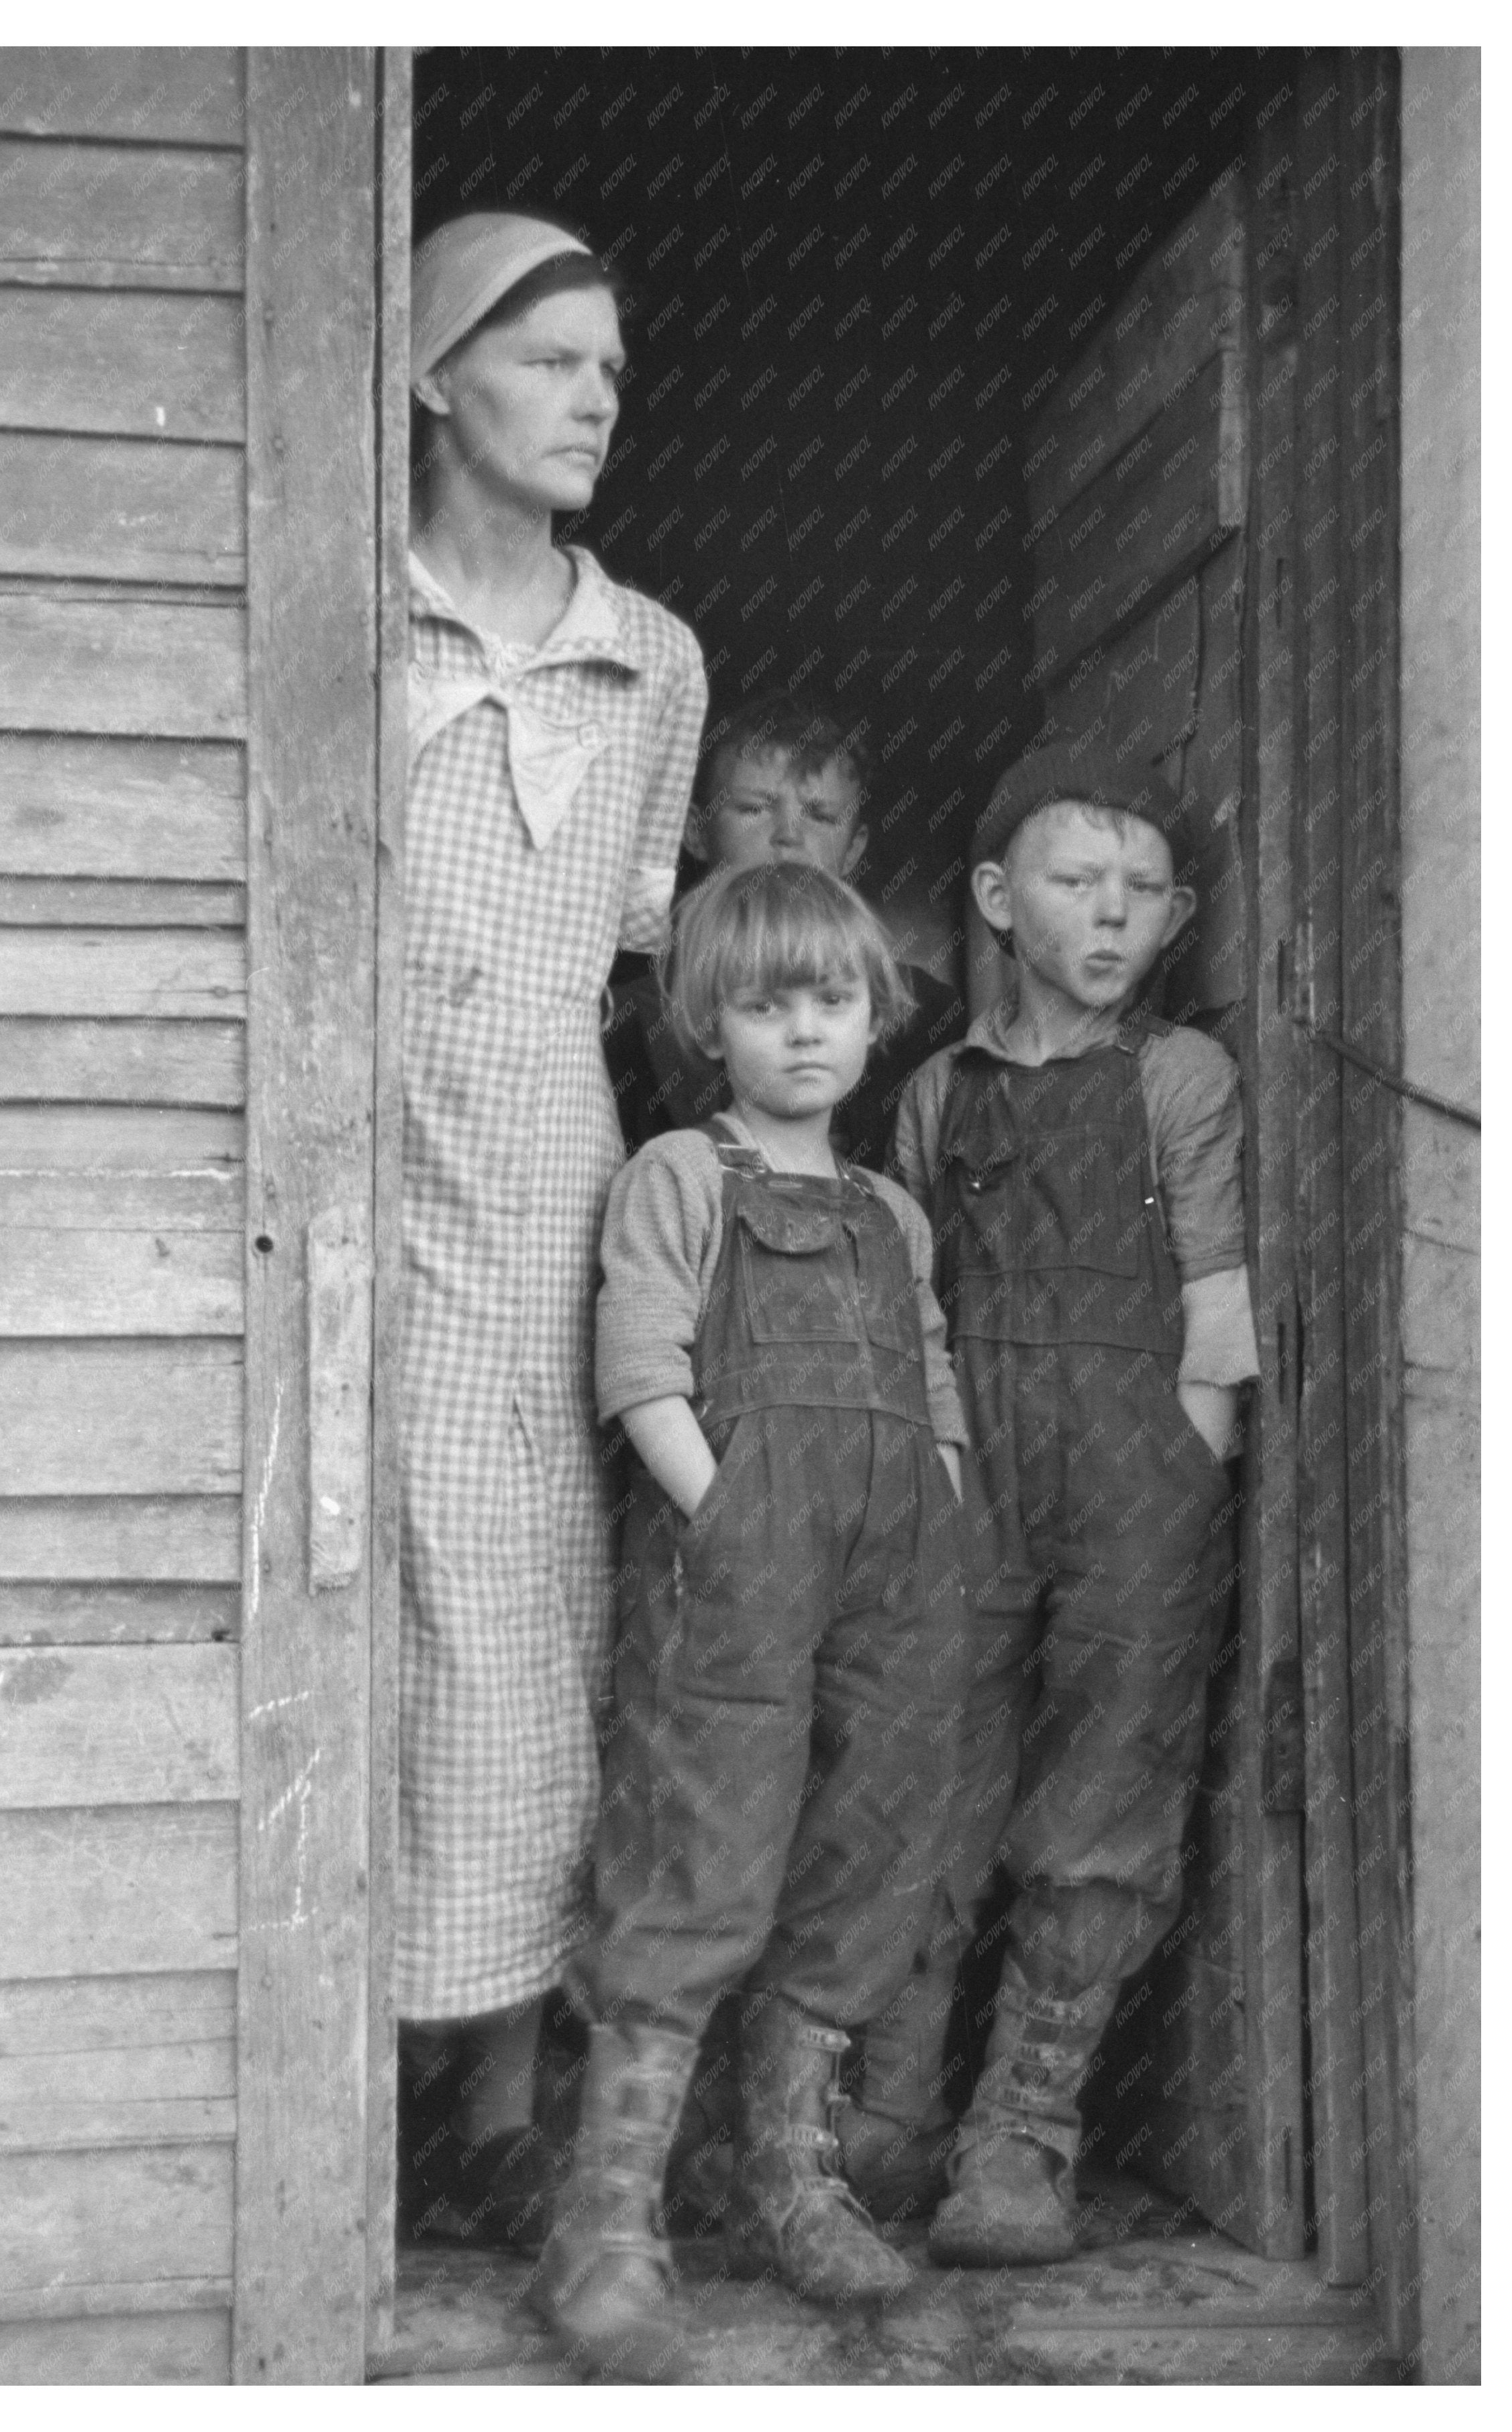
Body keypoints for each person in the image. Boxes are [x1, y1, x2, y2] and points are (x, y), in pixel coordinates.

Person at [538, 863, 969, 2378]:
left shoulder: (890, 1208)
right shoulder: (678, 1170)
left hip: (897, 1566)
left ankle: (794, 2178)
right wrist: (721, 1510)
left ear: (875, 1017)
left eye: (832, 998)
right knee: (700, 1851)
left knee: (864, 1848)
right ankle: (607, 2219)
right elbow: (642, 1362)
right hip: (735, 1559)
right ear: (708, 1021)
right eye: (765, 1000)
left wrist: (947, 1491)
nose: (804, 1029)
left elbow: (927, 1368)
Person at [395, 210, 707, 2246]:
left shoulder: (653, 655)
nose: (595, 395)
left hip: (544, 1176)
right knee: (371, 1608)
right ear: (433, 380)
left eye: (608, 363)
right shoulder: (346, 612)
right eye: (545, 359)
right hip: (357, 1162)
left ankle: (500, 2107)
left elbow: (630, 956)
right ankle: (347, 2080)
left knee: (534, 1614)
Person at [886, 731, 1260, 2267]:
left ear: (1176, 917)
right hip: (965, 1479)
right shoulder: (930, 1093)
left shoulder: (1180, 1074)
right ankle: (880, 2120)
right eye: (1069, 880)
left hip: (1130, 1488)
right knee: (928, 1781)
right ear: (992, 895)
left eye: (1140, 888)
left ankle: (1019, 2136)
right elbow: (908, 1300)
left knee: (1101, 1798)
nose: (1105, 915)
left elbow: (1215, 1307)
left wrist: (1183, 1459)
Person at [603, 691, 965, 1167]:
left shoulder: (922, 1015)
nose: (788, 835)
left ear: (855, 848)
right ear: (694, 831)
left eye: (820, 816)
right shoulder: (622, 1021)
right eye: (755, 808)